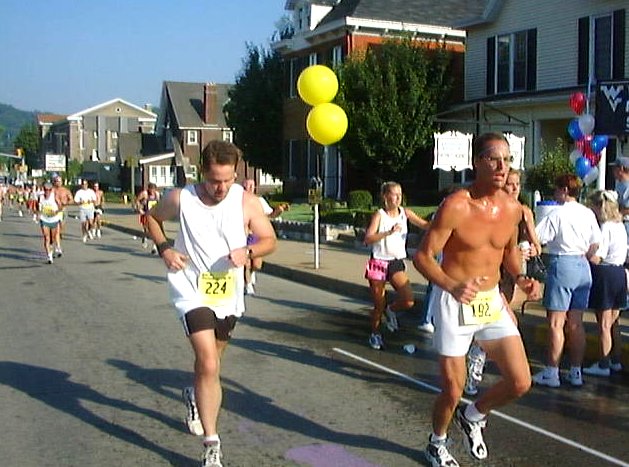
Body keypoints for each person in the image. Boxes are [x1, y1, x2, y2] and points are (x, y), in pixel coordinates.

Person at [145, 140, 276, 467]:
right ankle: (212, 443)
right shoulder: (181, 198)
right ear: (202, 172)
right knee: (208, 362)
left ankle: (194, 394)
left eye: (228, 180)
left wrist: (248, 252)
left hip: (227, 293)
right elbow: (151, 219)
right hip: (190, 287)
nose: (221, 188)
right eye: (215, 180)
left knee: (212, 364)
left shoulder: (246, 202)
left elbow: (269, 240)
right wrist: (165, 249)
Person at [413, 132, 541, 467]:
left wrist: (522, 278)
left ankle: (474, 414)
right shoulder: (457, 205)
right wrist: (451, 285)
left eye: (507, 160)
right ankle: (437, 443)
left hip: (490, 301)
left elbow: (508, 255)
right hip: (454, 302)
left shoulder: (513, 209)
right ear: (476, 162)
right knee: (453, 388)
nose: (502, 167)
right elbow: (423, 257)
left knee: (520, 381)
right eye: (493, 159)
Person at [464, 168, 543, 396]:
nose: (515, 188)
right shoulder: (492, 210)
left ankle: (477, 357)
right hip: (491, 273)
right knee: (504, 320)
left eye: (518, 184)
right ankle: (475, 365)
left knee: (494, 322)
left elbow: (537, 245)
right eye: (510, 184)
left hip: (512, 274)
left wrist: (530, 250)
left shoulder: (523, 211)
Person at [533, 173, 601, 388]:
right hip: (582, 265)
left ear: (564, 190)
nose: (554, 193)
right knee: (576, 323)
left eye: (556, 189)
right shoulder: (587, 213)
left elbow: (539, 237)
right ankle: (575, 371)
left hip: (562, 263)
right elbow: (595, 243)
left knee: (556, 322)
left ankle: (552, 372)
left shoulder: (557, 213)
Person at [364, 181, 429, 350]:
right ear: (385, 196)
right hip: (378, 262)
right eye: (394, 194)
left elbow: (425, 225)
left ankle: (391, 310)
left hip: (395, 262)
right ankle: (375, 334)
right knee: (379, 304)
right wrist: (388, 232)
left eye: (400, 194)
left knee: (408, 300)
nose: (398, 198)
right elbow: (368, 238)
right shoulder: (379, 215)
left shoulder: (405, 213)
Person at [583, 190, 627, 376]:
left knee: (604, 324)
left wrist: (583, 254)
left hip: (605, 274)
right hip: (619, 273)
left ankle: (603, 364)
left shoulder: (606, 227)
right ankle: (615, 360)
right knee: (614, 322)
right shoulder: (620, 226)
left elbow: (598, 257)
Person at [242, 178, 289, 295]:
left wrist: (279, 210)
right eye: (247, 186)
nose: (249, 188)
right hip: (243, 236)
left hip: (256, 237)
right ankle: (248, 284)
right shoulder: (238, 200)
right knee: (246, 263)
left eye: (251, 186)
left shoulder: (259, 201)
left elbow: (270, 215)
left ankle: (251, 273)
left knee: (257, 264)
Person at [37, 182, 63, 264]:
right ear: (43, 189)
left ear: (51, 190)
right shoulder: (41, 197)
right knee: (46, 237)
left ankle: (52, 249)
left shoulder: (54, 196)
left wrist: (56, 211)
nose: (47, 192)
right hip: (44, 219)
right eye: (45, 190)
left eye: (49, 190)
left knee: (52, 239)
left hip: (54, 220)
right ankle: (49, 256)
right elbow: (39, 207)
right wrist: (38, 214)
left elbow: (60, 206)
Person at [135, 183, 160, 253]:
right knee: (146, 229)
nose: (152, 191)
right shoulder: (144, 194)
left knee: (154, 230)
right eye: (151, 189)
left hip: (154, 214)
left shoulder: (157, 194)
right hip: (145, 213)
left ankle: (154, 247)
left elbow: (159, 203)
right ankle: (144, 238)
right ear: (148, 189)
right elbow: (137, 201)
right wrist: (140, 209)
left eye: (154, 189)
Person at [52, 174, 74, 253]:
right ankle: (57, 245)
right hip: (54, 210)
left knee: (61, 226)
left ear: (62, 182)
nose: (58, 183)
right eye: (56, 181)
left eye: (59, 181)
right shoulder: (52, 190)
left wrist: (66, 203)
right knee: (55, 228)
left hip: (63, 210)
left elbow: (71, 200)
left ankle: (58, 236)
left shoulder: (66, 190)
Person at [611, 156, 629, 241]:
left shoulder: (627, 186)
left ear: (621, 168)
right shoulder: (619, 184)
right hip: (620, 223)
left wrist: (617, 214)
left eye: (615, 168)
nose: (613, 171)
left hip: (626, 223)